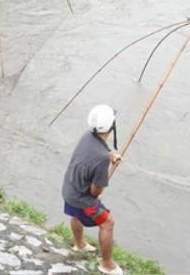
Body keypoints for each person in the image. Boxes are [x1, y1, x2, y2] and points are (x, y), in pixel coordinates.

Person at [61, 104, 124, 275]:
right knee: (107, 223)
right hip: (82, 200)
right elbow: (95, 192)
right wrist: (107, 163)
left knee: (75, 214)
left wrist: (111, 154)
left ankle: (79, 243)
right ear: (112, 126)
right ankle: (106, 264)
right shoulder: (102, 160)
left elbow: (95, 152)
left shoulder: (87, 136)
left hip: (68, 189)